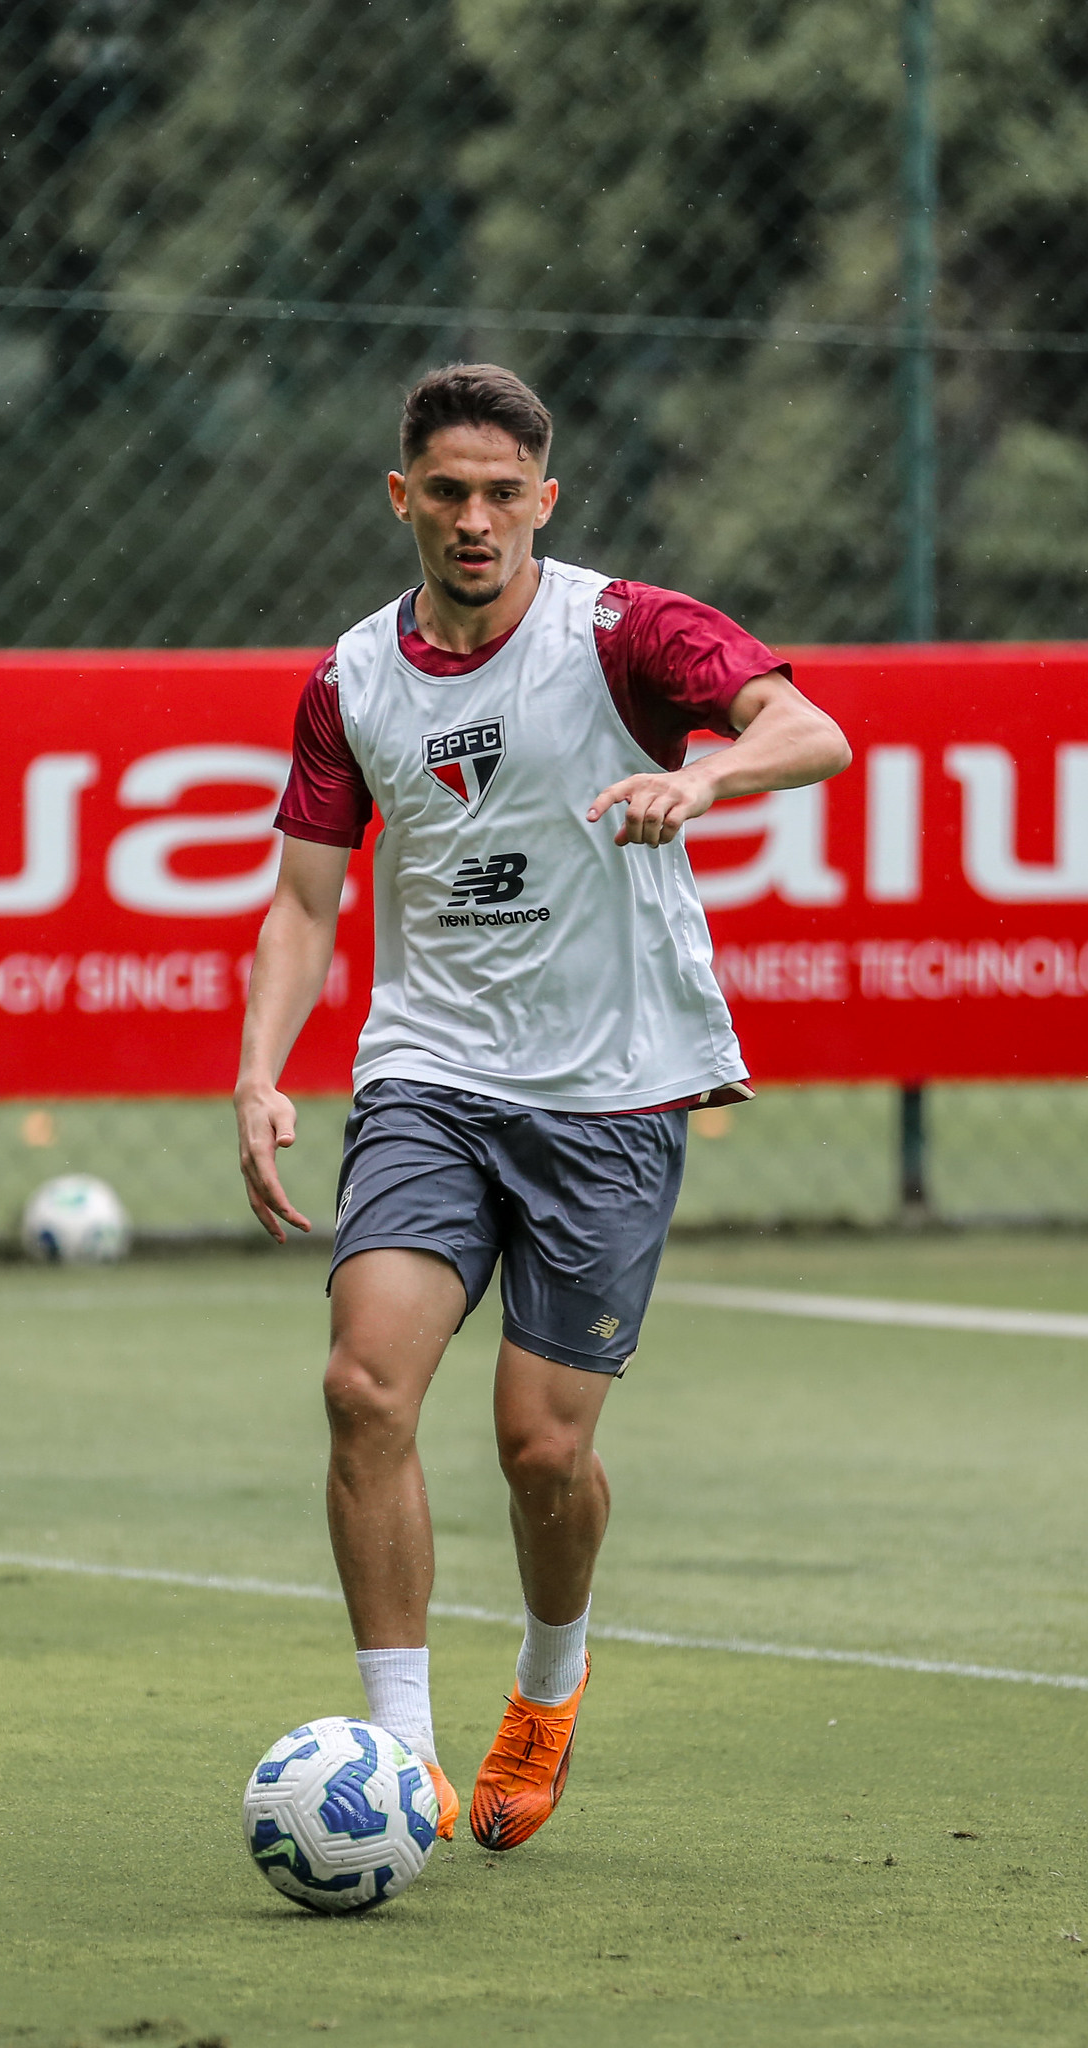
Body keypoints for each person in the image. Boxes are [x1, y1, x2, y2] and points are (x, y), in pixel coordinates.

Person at [234, 363, 850, 1849]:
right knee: (363, 1385)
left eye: (504, 494)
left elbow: (812, 731)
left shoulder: (624, 631)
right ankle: (400, 1760)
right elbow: (305, 903)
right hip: (430, 1080)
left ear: (544, 504)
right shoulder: (350, 679)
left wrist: (704, 783)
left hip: (611, 1093)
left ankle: (549, 1684)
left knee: (540, 1450)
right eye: (446, 490)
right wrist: (261, 1067)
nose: (474, 518)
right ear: (403, 497)